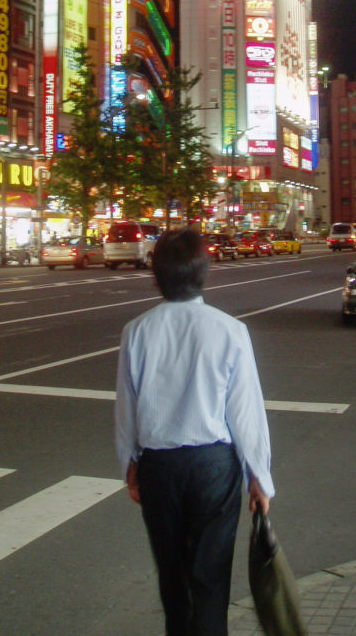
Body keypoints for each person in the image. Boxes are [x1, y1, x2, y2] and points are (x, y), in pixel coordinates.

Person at [115, 226, 274, 636]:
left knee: (173, 581)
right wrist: (259, 477)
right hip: (213, 468)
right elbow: (246, 411)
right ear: (204, 271)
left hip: (159, 469)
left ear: (157, 274)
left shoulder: (137, 331)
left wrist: (130, 465)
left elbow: (126, 409)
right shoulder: (228, 330)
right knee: (210, 580)